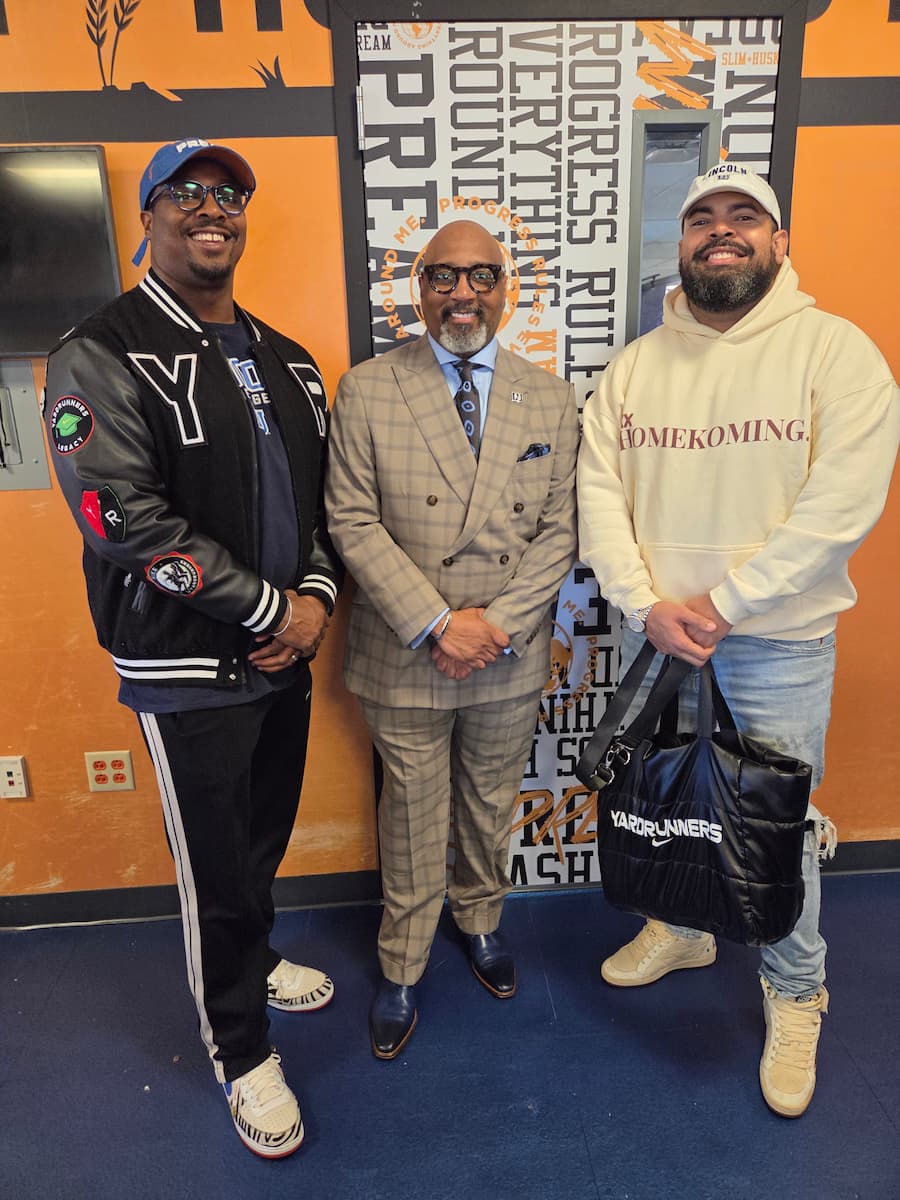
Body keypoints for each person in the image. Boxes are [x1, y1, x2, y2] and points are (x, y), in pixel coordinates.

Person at [577, 162, 899, 1118]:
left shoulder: (836, 353)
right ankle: (681, 928)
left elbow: (841, 505)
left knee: (776, 828)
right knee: (664, 801)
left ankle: (797, 991)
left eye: (744, 218)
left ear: (780, 240)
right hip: (662, 642)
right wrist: (645, 604)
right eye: (702, 220)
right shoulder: (635, 368)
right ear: (679, 246)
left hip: (774, 644)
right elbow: (599, 493)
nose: (722, 233)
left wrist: (727, 601)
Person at [44, 137, 342, 1158]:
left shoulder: (288, 357)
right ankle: (242, 1052)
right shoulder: (100, 348)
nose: (211, 209)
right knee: (215, 870)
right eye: (185, 194)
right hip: (187, 661)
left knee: (260, 842)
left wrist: (309, 599)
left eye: (228, 195)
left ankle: (254, 962)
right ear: (149, 217)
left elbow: (322, 508)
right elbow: (117, 514)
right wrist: (268, 611)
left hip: (285, 651)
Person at [325, 219, 579, 1059]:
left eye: (480, 277)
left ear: (506, 289)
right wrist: (438, 623)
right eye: (443, 276)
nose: (461, 294)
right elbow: (351, 521)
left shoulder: (547, 394)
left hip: (504, 652)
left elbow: (558, 531)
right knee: (411, 814)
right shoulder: (367, 388)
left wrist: (494, 627)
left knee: (488, 804)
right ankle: (400, 964)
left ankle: (479, 922)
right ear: (418, 287)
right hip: (408, 649)